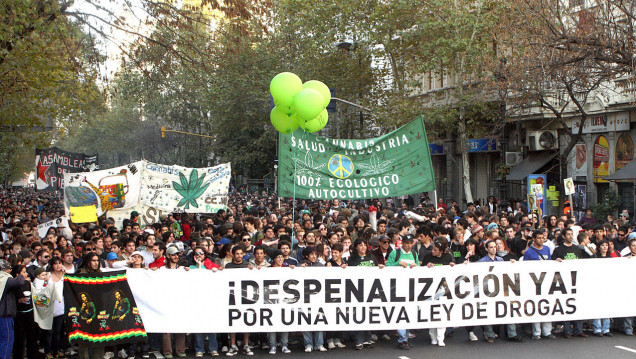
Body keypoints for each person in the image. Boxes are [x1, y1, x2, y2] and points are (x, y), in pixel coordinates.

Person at [386, 234, 417, 349]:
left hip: (410, 287)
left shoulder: (414, 253)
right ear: (402, 243)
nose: (408, 245)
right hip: (397, 287)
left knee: (408, 312)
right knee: (400, 312)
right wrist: (397, 264)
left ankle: (406, 337)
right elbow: (387, 267)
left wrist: (416, 266)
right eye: (406, 243)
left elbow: (418, 266)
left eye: (410, 243)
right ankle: (402, 339)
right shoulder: (395, 253)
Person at [523, 230, 554, 340]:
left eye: (543, 237)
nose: (541, 240)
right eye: (539, 238)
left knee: (546, 306)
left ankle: (547, 331)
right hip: (534, 282)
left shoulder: (547, 249)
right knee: (536, 306)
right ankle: (537, 332)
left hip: (546, 282)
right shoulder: (529, 252)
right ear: (534, 239)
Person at [224, 244, 254, 356]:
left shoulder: (247, 266)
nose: (239, 256)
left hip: (245, 297)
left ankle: (246, 345)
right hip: (232, 297)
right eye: (237, 254)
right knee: (233, 322)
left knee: (246, 321)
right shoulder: (228, 266)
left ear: (244, 254)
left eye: (241, 254)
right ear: (233, 254)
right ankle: (233, 345)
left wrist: (254, 270)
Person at [266, 250, 292, 355]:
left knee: (284, 322)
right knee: (272, 322)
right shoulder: (268, 270)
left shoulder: (287, 269)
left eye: (282, 257)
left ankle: (284, 345)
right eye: (278, 257)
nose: (281, 259)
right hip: (271, 300)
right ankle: (272, 345)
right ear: (274, 259)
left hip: (284, 300)